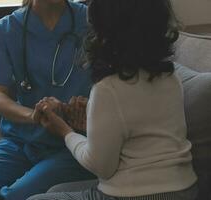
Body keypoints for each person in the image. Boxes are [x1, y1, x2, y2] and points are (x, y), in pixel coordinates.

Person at [27, 0, 199, 199]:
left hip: (137, 193)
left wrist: (65, 131)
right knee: (54, 191)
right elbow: (139, 127)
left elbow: (100, 167)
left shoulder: (109, 89)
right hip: (185, 189)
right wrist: (93, 115)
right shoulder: (170, 77)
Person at [0, 0, 96, 200]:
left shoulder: (92, 21)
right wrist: (34, 116)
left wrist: (88, 107)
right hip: (21, 141)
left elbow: (116, 83)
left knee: (16, 196)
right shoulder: (6, 29)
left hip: (70, 144)